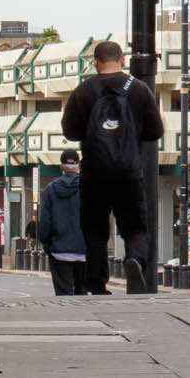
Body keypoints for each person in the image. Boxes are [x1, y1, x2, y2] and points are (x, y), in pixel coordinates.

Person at [60, 38, 162, 295]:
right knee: (136, 227)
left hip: (94, 173)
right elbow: (155, 131)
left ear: (95, 62)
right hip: (128, 171)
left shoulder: (83, 91)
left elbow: (70, 131)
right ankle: (134, 260)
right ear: (122, 61)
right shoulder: (138, 89)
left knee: (95, 231)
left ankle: (97, 284)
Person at [36, 158, 88, 296]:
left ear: (61, 167)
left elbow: (45, 222)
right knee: (82, 292)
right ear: (79, 166)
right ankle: (83, 317)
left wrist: (47, 245)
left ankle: (68, 316)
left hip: (59, 251)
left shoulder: (51, 189)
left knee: (63, 294)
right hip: (85, 250)